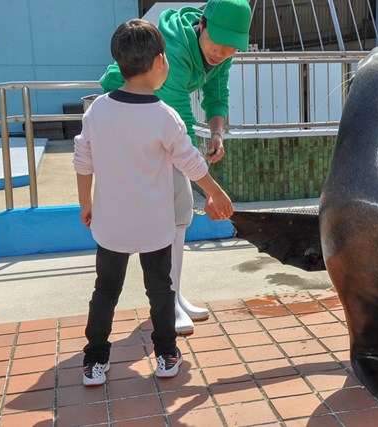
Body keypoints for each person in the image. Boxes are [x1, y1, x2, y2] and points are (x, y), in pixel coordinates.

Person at [74, 19, 233, 386]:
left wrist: (86, 202)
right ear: (161, 63)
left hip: (111, 226)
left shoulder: (98, 110)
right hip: (154, 227)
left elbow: (83, 158)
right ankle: (165, 354)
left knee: (105, 292)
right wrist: (214, 191)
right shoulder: (165, 116)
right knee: (161, 292)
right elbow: (190, 162)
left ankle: (95, 360)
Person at [100, 0, 252, 335]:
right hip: (132, 125)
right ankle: (166, 303)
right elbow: (178, 130)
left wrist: (216, 132)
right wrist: (211, 190)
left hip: (153, 123)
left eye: (231, 48)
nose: (222, 52)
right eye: (219, 43)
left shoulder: (220, 54)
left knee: (178, 214)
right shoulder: (174, 48)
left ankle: (174, 295)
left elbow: (216, 91)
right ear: (203, 23)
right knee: (168, 213)